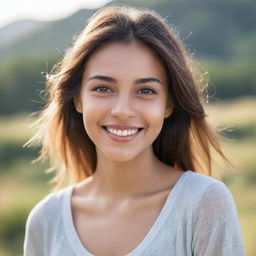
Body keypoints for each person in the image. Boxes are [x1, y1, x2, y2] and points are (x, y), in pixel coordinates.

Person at [23, 5, 245, 256]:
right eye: (103, 88)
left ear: (168, 105)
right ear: (78, 100)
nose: (122, 110)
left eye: (146, 91)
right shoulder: (45, 220)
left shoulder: (205, 205)